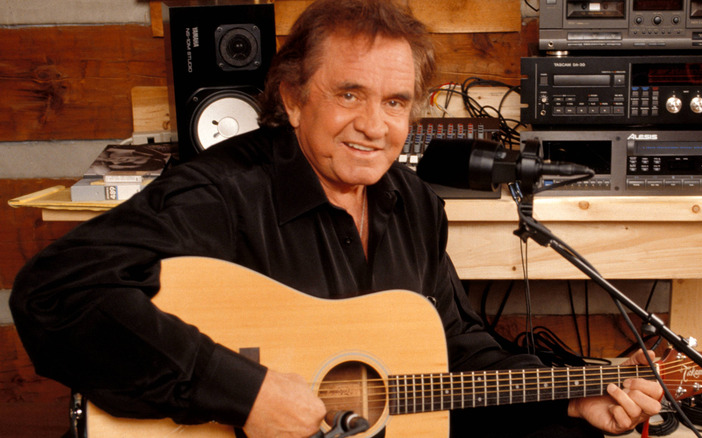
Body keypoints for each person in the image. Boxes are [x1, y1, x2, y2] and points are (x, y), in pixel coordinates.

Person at [10, 1, 663, 437]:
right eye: (349, 95)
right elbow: (56, 291)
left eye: (395, 101)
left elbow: (453, 354)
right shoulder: (223, 192)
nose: (374, 126)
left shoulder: (412, 205)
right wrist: (243, 393)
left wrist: (569, 396)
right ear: (293, 99)